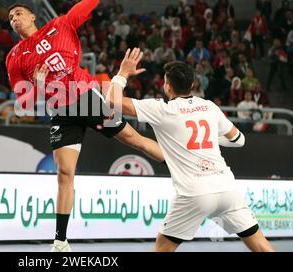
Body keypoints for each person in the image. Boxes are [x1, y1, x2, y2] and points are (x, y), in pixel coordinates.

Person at [6, 0, 164, 252]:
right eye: (10, 18)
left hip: (86, 98)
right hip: (60, 111)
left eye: (18, 13)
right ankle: (60, 241)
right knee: (64, 173)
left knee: (134, 139)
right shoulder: (15, 57)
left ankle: (186, 161)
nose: (14, 19)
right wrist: (40, 88)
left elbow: (91, 0)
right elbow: (23, 100)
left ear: (32, 15)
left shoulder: (60, 25)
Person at [106, 48, 274, 252]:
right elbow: (239, 140)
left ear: (167, 87)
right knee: (260, 245)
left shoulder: (163, 109)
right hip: (226, 187)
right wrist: (212, 139)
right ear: (193, 85)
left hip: (194, 193)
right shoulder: (209, 107)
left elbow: (113, 101)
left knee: (163, 247)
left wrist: (122, 73)